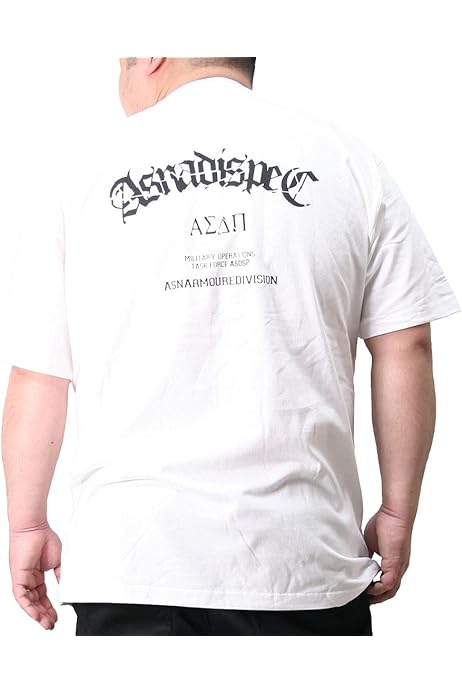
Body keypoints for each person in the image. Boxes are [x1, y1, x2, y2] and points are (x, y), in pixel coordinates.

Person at [2, 57, 460, 637]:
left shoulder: (80, 175)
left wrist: (27, 525)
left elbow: (38, 376)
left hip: (134, 565)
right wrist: (398, 512)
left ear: (152, 55)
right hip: (305, 565)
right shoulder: (346, 160)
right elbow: (408, 344)